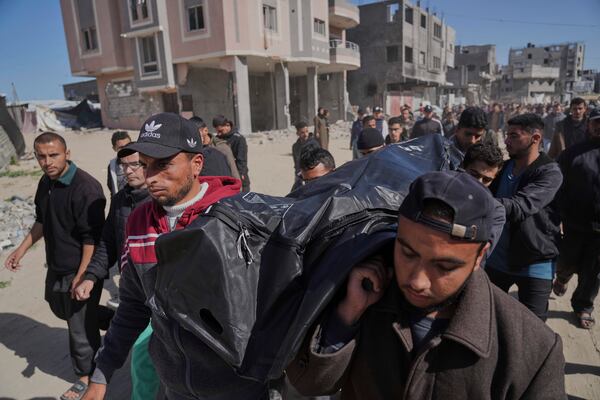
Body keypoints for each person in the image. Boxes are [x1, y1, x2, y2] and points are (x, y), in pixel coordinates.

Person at [287, 171, 565, 399]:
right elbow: (310, 385)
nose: (417, 281)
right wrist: (346, 316)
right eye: (407, 253)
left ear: (481, 255)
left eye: (444, 266)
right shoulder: (363, 294)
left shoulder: (532, 348)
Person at [80, 113, 268, 400]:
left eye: (164, 164)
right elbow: (133, 302)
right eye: (145, 165)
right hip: (175, 386)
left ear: (196, 164)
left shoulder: (235, 217)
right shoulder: (138, 221)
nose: (151, 177)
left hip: (238, 387)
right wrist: (101, 373)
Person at [5, 132, 106, 400]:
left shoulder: (86, 188)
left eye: (53, 155)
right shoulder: (46, 182)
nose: (47, 161)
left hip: (80, 269)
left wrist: (83, 275)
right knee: (57, 304)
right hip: (57, 267)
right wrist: (21, 249)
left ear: (67, 154)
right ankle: (113, 321)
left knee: (80, 330)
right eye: (41, 156)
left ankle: (86, 375)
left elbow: (91, 239)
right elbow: (41, 220)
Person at [72, 149, 156, 400]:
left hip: (161, 293)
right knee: (145, 359)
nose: (127, 171)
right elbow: (108, 242)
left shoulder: (160, 199)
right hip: (133, 292)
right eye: (123, 166)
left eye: (135, 165)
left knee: (142, 359)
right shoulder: (120, 200)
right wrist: (90, 276)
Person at [486, 114, 563, 321]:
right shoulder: (503, 168)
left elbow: (522, 206)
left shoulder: (550, 173)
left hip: (535, 262)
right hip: (497, 259)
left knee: (533, 330)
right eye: (506, 135)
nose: (507, 141)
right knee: (489, 319)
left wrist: (478, 201)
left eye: (514, 136)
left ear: (535, 138)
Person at [552, 108, 600, 329]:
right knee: (567, 260)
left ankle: (583, 306)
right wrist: (557, 217)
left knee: (593, 270)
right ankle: (562, 278)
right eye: (596, 122)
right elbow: (558, 188)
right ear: (589, 124)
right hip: (574, 222)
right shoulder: (572, 154)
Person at [213, 115, 250, 191]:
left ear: (227, 125)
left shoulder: (239, 139)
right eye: (217, 131)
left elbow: (241, 160)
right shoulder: (218, 139)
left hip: (238, 175)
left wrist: (241, 174)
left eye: (221, 131)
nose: (219, 134)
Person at [292, 121, 320, 191]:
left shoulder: (314, 144)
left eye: (307, 131)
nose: (305, 134)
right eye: (302, 132)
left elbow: (319, 161)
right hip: (300, 176)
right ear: (297, 133)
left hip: (313, 177)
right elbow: (296, 162)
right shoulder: (295, 147)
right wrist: (297, 174)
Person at [107, 131, 131, 197]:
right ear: (114, 148)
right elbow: (112, 188)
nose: (125, 149)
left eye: (128, 145)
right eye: (121, 147)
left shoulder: (142, 161)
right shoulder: (112, 166)